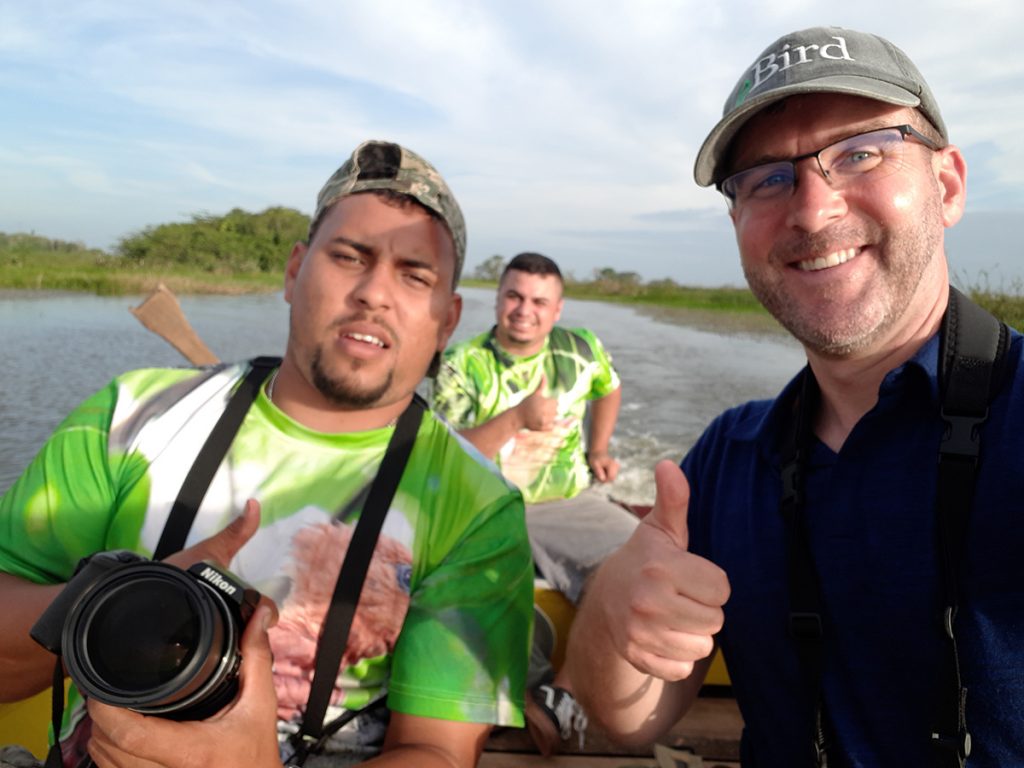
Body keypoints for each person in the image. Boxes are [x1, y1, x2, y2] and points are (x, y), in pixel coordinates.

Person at [567, 26, 1024, 767]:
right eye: (768, 177)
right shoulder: (726, 460)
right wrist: (614, 608)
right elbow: (625, 722)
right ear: (738, 221)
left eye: (860, 152)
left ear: (947, 185)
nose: (812, 211)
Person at [0, 139, 534, 768]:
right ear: (293, 271)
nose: (373, 293)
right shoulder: (131, 416)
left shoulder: (478, 507)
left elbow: (436, 754)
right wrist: (120, 599)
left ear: (447, 321)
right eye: (349, 256)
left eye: (413, 275)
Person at [430, 252, 638, 756]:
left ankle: (557, 694)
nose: (525, 309)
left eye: (539, 301)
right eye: (515, 296)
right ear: (498, 299)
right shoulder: (463, 363)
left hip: (568, 501)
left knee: (645, 561)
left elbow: (608, 388)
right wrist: (517, 417)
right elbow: (444, 457)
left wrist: (599, 448)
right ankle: (528, 681)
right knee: (470, 582)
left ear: (558, 309)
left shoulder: (580, 349)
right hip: (486, 503)